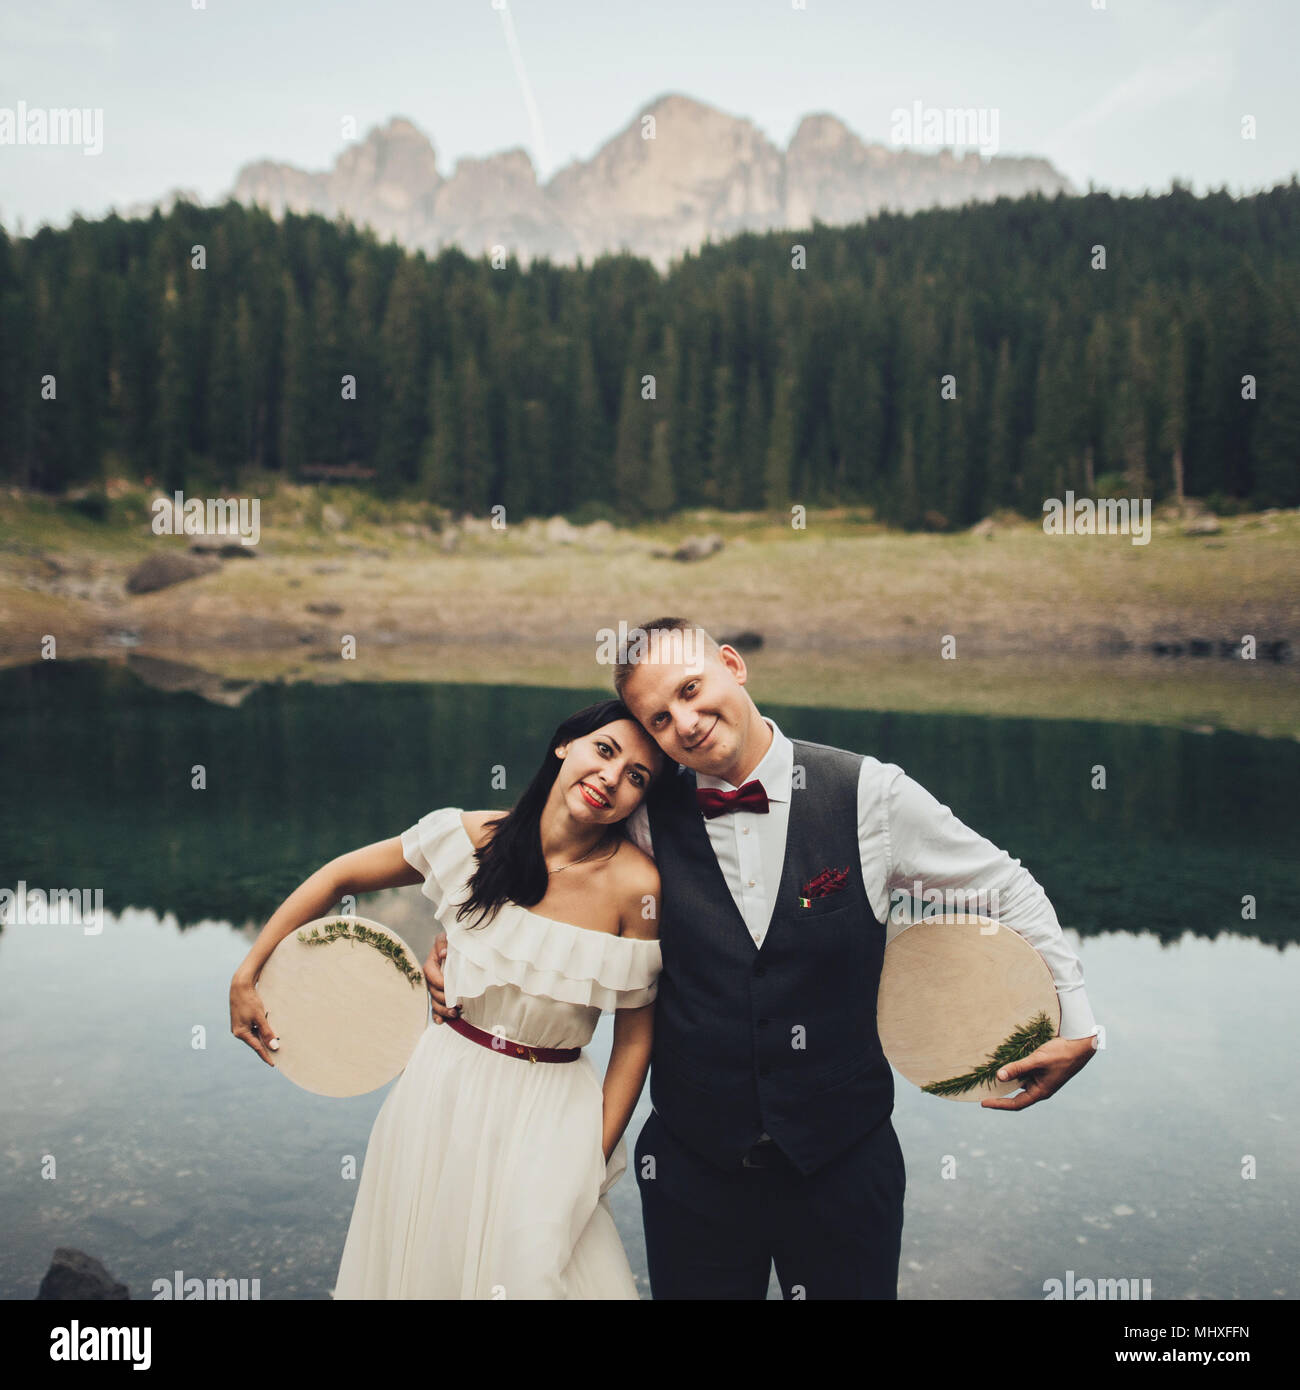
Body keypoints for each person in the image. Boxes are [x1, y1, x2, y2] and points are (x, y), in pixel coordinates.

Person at [427, 618, 1100, 1300]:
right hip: (691, 1174)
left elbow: (1006, 887)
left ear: (732, 665)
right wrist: (464, 938)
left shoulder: (868, 795)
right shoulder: (643, 811)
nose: (685, 724)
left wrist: (1077, 1024)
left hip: (844, 1166)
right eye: (660, 718)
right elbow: (538, 849)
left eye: (692, 690)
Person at [229, 699, 668, 1299]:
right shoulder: (469, 838)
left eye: (636, 777)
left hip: (553, 1107)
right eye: (605, 750)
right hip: (440, 1089)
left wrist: (591, 1157)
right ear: (566, 745)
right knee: (424, 1270)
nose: (611, 779)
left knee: (536, 1272)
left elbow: (635, 1040)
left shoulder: (638, 887)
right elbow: (339, 878)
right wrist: (249, 973)